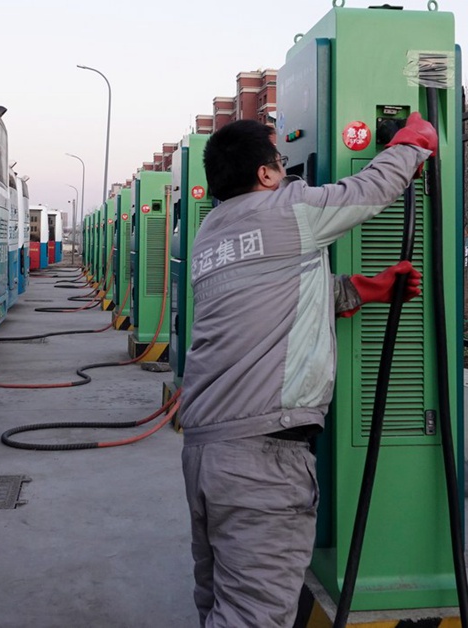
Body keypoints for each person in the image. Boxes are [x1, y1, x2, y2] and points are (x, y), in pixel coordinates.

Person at [179, 113, 436, 627]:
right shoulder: (287, 208)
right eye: (282, 162)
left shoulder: (212, 233)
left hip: (206, 452)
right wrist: (412, 145)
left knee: (218, 600)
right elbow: (368, 190)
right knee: (254, 614)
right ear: (269, 175)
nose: (289, 173)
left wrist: (364, 289)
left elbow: (276, 297)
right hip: (262, 457)